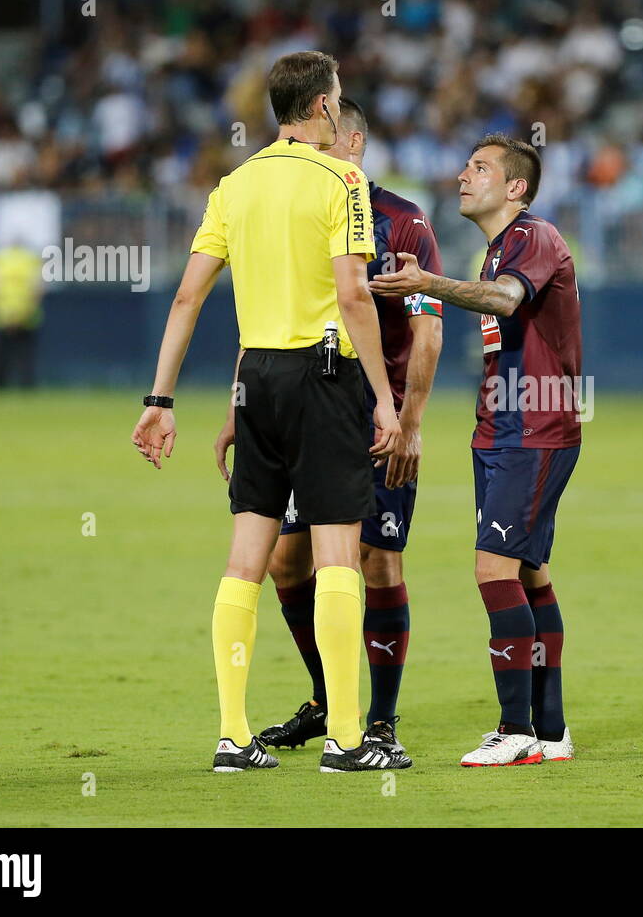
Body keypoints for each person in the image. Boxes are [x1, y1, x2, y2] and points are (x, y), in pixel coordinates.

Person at [130, 51, 405, 773]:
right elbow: (353, 296)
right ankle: (347, 738)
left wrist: (160, 401)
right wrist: (383, 397)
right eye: (337, 99)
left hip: (255, 377)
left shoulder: (234, 184)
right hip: (324, 376)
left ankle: (232, 735)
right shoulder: (343, 179)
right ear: (320, 108)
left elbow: (187, 297)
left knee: (244, 560)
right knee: (338, 553)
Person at [214, 98, 444, 760]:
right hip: (307, 408)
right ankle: (328, 700)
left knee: (377, 559)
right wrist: (238, 402)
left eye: (328, 139)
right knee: (287, 560)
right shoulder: (302, 210)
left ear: (355, 142)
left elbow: (428, 327)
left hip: (381, 416)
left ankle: (379, 722)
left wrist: (413, 421)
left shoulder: (405, 221)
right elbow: (265, 317)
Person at [372, 134, 582, 767]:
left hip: (534, 429)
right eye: (464, 165)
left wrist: (428, 281)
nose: (463, 175)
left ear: (515, 187)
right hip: (501, 429)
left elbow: (506, 300)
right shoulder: (494, 250)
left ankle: (514, 731)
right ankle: (549, 731)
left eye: (480, 168)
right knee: (528, 573)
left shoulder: (532, 237)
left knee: (493, 571)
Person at [0, 242, 43, 388]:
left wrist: (5, 315)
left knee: (8, 356)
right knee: (19, 356)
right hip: (21, 316)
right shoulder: (30, 260)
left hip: (7, 316)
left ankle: (2, 387)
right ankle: (21, 387)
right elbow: (37, 289)